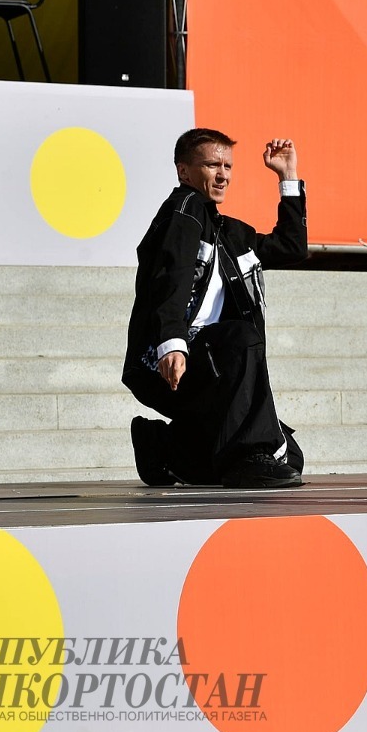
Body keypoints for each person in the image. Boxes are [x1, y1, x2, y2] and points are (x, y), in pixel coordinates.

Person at [122, 128, 309, 489]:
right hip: (170, 358)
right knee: (242, 337)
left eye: (228, 166)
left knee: (289, 457)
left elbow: (291, 247)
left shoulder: (230, 233)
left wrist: (287, 176)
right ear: (184, 172)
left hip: (215, 367)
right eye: (212, 165)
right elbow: (171, 273)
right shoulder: (185, 208)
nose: (223, 175)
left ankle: (164, 448)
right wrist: (171, 341)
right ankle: (244, 458)